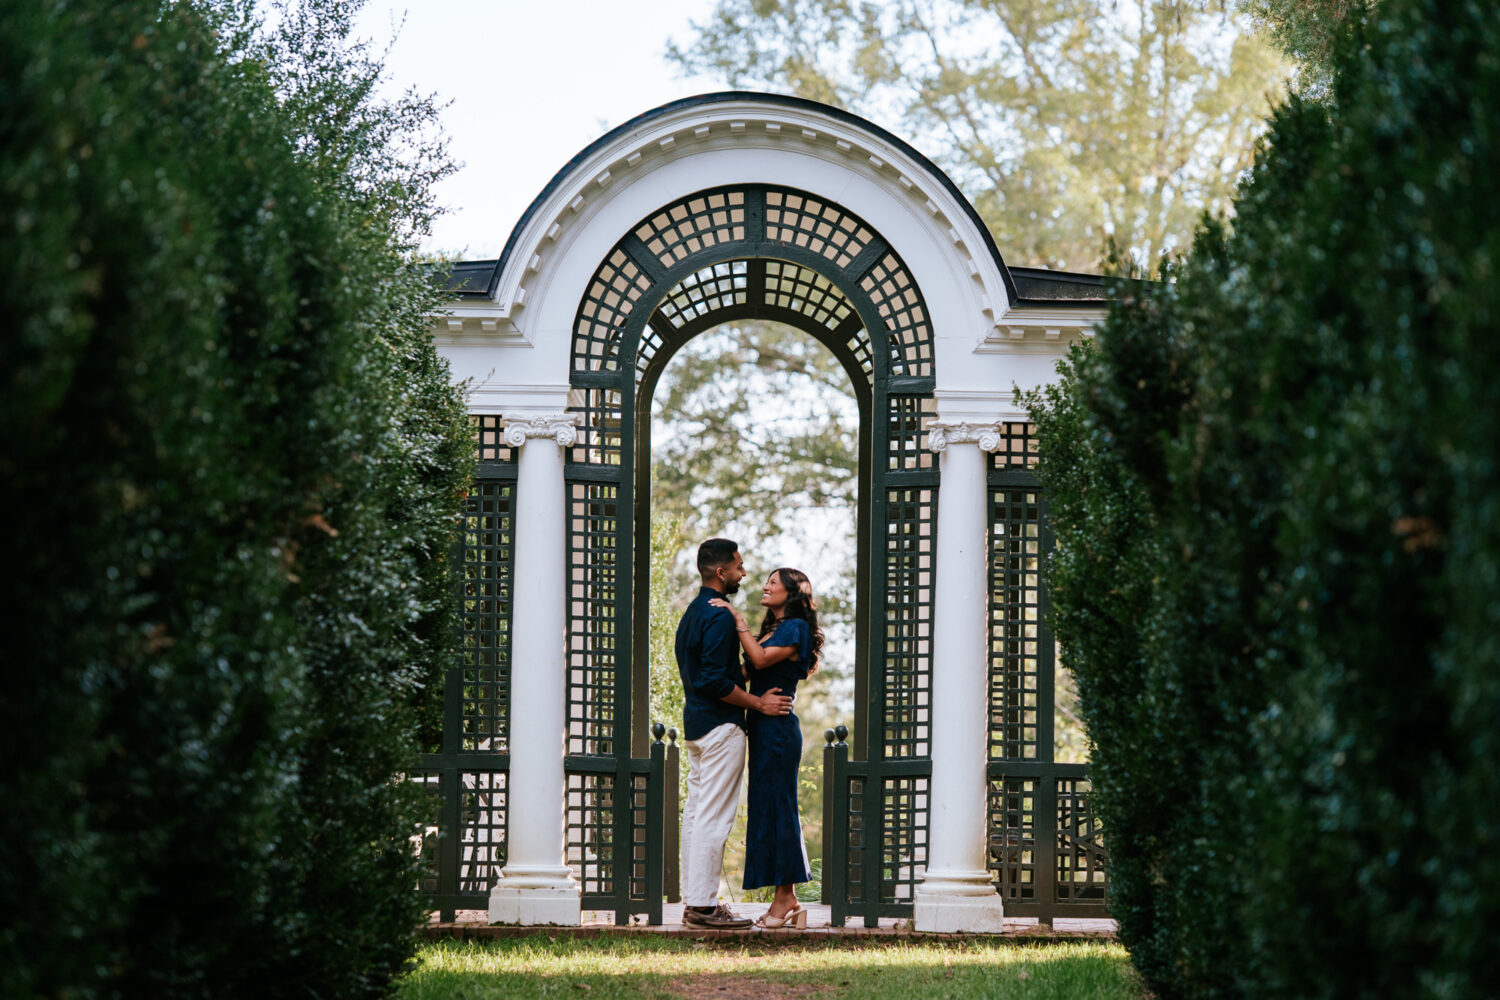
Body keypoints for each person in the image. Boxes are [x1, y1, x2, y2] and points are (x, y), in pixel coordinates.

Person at [675, 538, 794, 929]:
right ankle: (705, 907)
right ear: (721, 572)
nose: (744, 573)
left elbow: (711, 674)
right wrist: (758, 704)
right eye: (739, 567)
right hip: (721, 727)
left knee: (695, 813)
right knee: (713, 817)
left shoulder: (692, 613)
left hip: (695, 727)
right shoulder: (721, 616)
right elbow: (712, 680)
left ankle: (695, 902)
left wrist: (746, 672)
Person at [710, 567, 823, 929]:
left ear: (791, 593)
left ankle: (786, 898)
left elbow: (758, 660)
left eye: (773, 583)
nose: (764, 586)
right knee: (765, 809)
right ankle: (783, 897)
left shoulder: (796, 628)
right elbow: (748, 671)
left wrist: (737, 619)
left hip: (778, 730)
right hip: (761, 727)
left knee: (779, 808)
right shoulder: (773, 630)